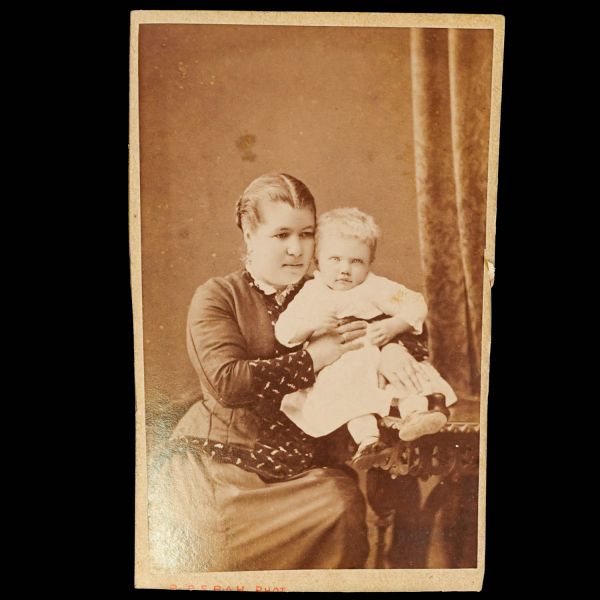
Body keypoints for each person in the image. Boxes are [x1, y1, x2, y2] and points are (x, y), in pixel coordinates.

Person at [149, 173, 374, 573]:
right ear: (250, 234)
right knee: (206, 539)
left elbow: (379, 336)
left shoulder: (330, 292)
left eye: (306, 234)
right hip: (220, 468)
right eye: (281, 234)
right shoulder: (218, 296)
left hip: (305, 472)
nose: (296, 249)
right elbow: (228, 383)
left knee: (342, 506)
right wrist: (313, 359)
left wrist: (398, 356)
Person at [274, 208, 457, 462]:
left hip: (378, 359)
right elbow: (284, 331)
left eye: (356, 261)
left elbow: (415, 303)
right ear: (317, 259)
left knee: (404, 381)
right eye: (335, 259)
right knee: (349, 395)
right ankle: (368, 441)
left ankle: (416, 416)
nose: (345, 269)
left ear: (369, 262)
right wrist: (310, 324)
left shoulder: (375, 287)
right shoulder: (311, 294)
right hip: (339, 365)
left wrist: (395, 325)